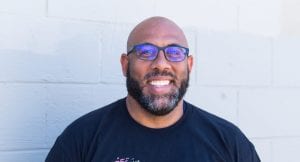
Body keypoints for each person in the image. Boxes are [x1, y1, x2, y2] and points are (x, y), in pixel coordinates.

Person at [45, 16, 260, 162]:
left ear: (189, 65)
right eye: (145, 52)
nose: (161, 63)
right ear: (125, 65)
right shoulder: (81, 140)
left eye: (175, 52)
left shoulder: (230, 144)